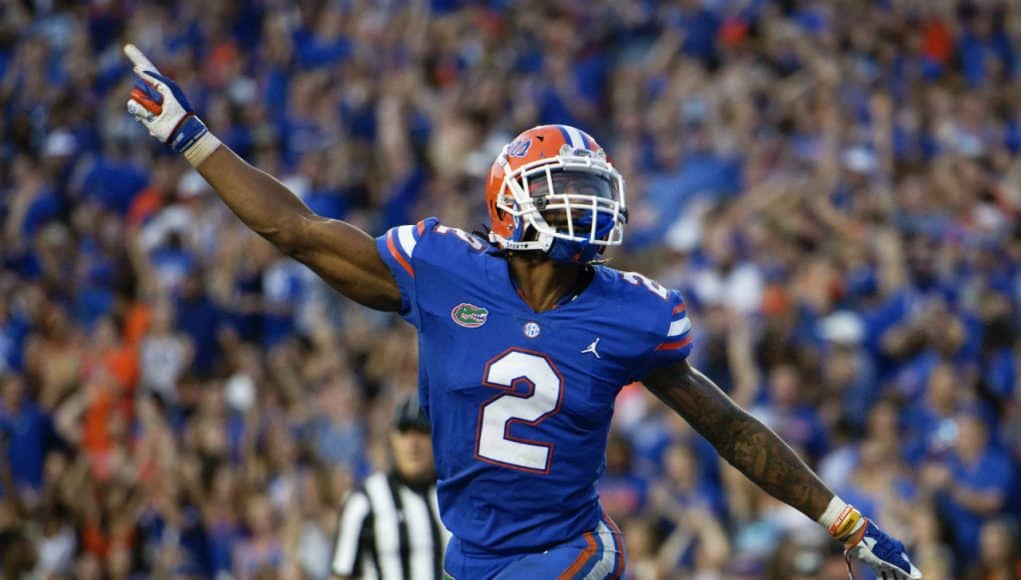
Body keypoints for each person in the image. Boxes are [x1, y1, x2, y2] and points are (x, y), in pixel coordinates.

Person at [123, 44, 922, 579]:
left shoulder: (630, 314)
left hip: (566, 554)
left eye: (590, 189)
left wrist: (844, 521)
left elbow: (729, 426)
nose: (588, 207)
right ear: (511, 206)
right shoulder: (441, 270)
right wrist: (193, 138)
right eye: (565, 192)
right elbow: (296, 232)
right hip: (469, 554)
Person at [331, 394, 449, 579]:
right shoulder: (365, 501)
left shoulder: (455, 499)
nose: (413, 444)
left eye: (421, 432)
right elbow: (340, 575)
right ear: (392, 438)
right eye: (404, 432)